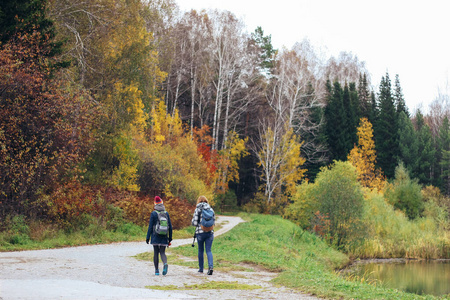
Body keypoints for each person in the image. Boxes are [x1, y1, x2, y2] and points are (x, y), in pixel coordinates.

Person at [146, 196, 172, 276]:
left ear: (155, 204)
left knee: (156, 252)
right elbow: (170, 227)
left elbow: (150, 226)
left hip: (155, 236)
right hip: (164, 236)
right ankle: (165, 263)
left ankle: (157, 271)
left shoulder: (153, 213)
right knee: (162, 252)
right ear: (162, 203)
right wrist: (170, 238)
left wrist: (148, 237)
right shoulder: (166, 213)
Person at [191, 195, 214, 275]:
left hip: (200, 233)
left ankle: (201, 269)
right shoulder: (211, 209)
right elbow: (213, 222)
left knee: (201, 250)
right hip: (210, 233)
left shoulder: (198, 209)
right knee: (209, 250)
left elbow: (194, 223)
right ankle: (210, 267)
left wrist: (197, 223)